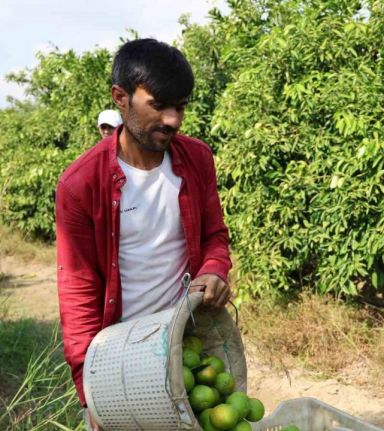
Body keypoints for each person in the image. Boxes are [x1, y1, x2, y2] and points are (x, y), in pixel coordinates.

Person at [55, 39, 236, 431]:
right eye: (159, 105)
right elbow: (79, 294)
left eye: (181, 107)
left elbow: (214, 236)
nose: (173, 119)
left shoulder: (197, 159)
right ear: (121, 97)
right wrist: (91, 397)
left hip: (186, 349)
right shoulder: (81, 184)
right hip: (121, 361)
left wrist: (214, 269)